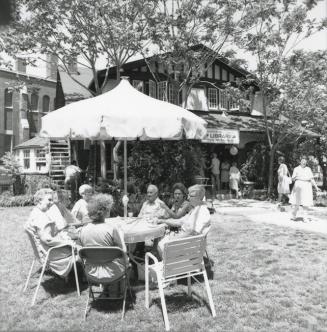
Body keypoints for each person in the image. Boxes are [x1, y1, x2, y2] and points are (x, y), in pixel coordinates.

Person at [79, 194, 126, 293]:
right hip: (113, 272)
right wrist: (120, 235)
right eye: (109, 208)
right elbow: (123, 251)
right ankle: (120, 289)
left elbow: (83, 252)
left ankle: (110, 289)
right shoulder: (112, 228)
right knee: (127, 261)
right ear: (105, 211)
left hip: (91, 272)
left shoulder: (83, 229)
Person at [24, 188, 76, 277]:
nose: (52, 203)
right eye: (49, 200)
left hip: (43, 252)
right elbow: (47, 239)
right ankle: (86, 278)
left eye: (52, 200)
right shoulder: (40, 217)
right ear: (40, 200)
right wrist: (67, 242)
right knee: (80, 248)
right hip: (51, 254)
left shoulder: (35, 212)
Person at [157, 184, 211, 256]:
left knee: (160, 245)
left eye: (191, 196)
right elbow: (180, 221)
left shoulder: (202, 212)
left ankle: (169, 265)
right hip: (185, 241)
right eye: (188, 195)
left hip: (188, 245)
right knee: (161, 238)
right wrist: (163, 221)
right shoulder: (195, 209)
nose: (188, 198)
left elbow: (193, 232)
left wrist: (174, 238)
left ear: (199, 197)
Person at [289, 157, 321, 221]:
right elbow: (292, 179)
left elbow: (311, 179)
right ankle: (294, 214)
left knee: (306, 202)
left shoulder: (308, 169)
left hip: (307, 186)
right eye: (302, 162)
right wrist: (294, 177)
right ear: (300, 162)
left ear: (306, 163)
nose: (304, 163)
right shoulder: (296, 169)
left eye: (305, 163)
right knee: (297, 203)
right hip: (298, 185)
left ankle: (305, 217)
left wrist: (316, 187)